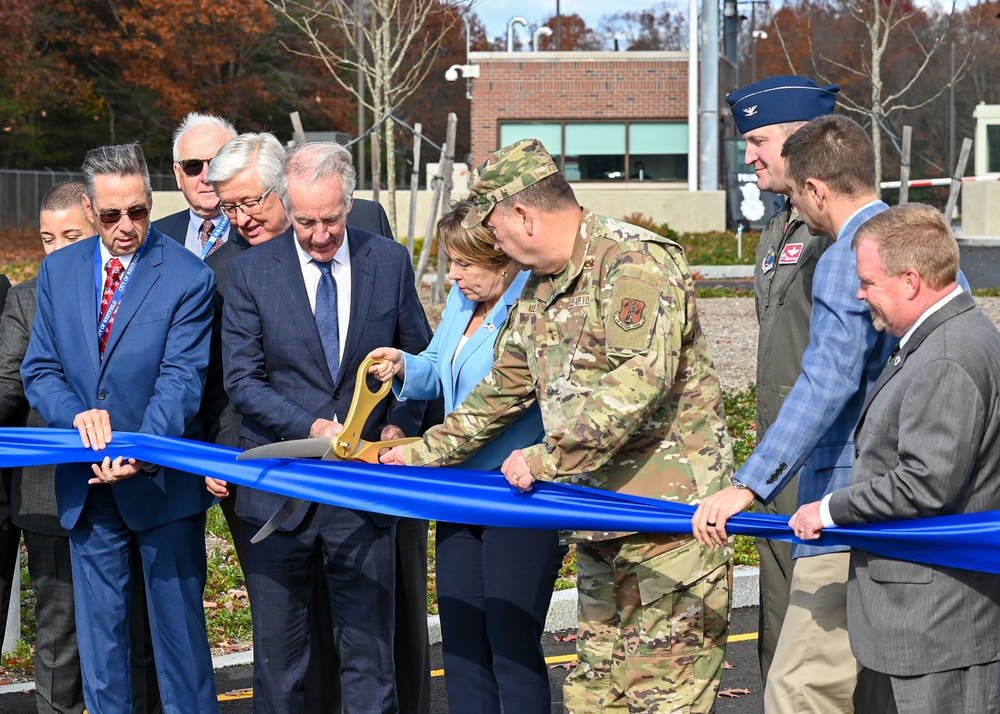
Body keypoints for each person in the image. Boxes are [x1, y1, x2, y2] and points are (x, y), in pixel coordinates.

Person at [383, 138, 733, 714]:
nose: (491, 244)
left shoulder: (634, 261)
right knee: (598, 697)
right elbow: (502, 390)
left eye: (493, 229)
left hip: (665, 521)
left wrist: (547, 458)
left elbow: (638, 383)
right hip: (595, 520)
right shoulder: (539, 287)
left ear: (523, 214)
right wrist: (420, 454)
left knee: (664, 698)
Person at [693, 115, 967, 712]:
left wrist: (747, 485)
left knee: (799, 691)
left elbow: (828, 378)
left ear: (816, 189)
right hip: (901, 508)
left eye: (793, 195)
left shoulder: (851, 254)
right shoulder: (911, 237)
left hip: (845, 506)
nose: (795, 208)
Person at [205, 132, 432, 714]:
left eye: (330, 219)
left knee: (370, 660)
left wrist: (394, 426)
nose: (320, 234)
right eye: (306, 222)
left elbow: (420, 364)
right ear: (287, 204)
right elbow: (243, 381)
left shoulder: (389, 261)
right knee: (281, 668)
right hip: (282, 493)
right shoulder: (252, 273)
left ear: (349, 205)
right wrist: (314, 427)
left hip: (364, 492)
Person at [21, 144, 219, 713]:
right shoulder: (58, 270)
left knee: (181, 652)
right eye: (111, 215)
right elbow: (41, 369)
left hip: (160, 487)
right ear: (89, 207)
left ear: (150, 202)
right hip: (87, 488)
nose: (127, 226)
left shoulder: (188, 276)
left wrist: (137, 451)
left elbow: (182, 380)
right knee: (102, 654)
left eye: (138, 211)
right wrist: (76, 418)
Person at [791, 204, 1000, 714]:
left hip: (937, 625)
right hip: (930, 619)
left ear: (910, 281)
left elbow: (926, 483)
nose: (860, 295)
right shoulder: (947, 338)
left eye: (868, 282)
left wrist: (829, 509)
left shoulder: (946, 356)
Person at [368, 200, 566, 714]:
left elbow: (500, 402)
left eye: (462, 264)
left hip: (517, 493)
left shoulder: (533, 307)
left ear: (501, 258)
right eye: (448, 262)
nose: (451, 276)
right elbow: (438, 365)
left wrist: (423, 451)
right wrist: (404, 365)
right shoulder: (462, 300)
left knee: (510, 644)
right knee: (460, 642)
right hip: (460, 491)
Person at [0, 181, 166, 714]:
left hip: (136, 488)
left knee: (136, 632)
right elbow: (10, 384)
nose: (57, 250)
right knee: (62, 638)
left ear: (97, 225)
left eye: (70, 235)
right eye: (46, 239)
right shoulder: (26, 298)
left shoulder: (139, 287)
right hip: (53, 497)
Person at [723, 74, 839, 684]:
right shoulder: (782, 225)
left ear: (800, 139)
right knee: (778, 618)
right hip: (777, 455)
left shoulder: (837, 236)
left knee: (824, 635)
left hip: (825, 459)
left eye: (758, 140)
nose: (748, 155)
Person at [153, 112, 238, 258]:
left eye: (217, 164)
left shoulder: (257, 231)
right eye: (193, 166)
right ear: (178, 174)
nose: (206, 177)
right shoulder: (154, 238)